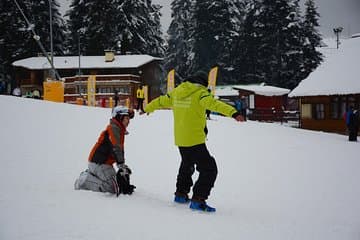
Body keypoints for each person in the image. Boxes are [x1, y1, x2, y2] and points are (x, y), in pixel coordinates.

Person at [142, 70, 244, 212]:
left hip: (181, 139)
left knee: (187, 164)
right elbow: (215, 105)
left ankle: (181, 195)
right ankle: (198, 200)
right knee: (209, 168)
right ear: (203, 83)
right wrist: (234, 112)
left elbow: (160, 101)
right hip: (195, 139)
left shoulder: (177, 92)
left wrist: (147, 108)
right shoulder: (201, 93)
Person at [74, 106, 136, 196]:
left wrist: (122, 165)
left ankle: (92, 175)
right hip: (99, 163)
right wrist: (121, 165)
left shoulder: (119, 130)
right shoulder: (113, 129)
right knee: (112, 187)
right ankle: (84, 180)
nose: (129, 121)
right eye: (126, 118)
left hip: (105, 163)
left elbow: (119, 150)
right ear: (119, 117)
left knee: (117, 184)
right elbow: (116, 148)